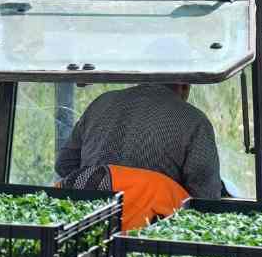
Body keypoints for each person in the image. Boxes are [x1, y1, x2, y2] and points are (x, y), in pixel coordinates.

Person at [55, 83, 221, 229]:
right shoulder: (194, 120)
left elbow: (64, 165)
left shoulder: (102, 102)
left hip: (90, 225)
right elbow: (206, 200)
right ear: (185, 84)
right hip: (150, 237)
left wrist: (102, 177)